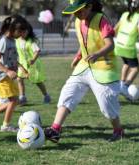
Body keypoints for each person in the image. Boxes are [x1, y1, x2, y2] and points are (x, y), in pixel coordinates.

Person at [45, 0, 124, 143]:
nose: (77, 14)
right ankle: (55, 129)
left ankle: (118, 130)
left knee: (106, 104)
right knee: (68, 93)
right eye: (74, 11)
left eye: (80, 10)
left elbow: (110, 44)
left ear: (89, 6)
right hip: (84, 66)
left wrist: (97, 55)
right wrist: (79, 56)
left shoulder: (101, 19)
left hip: (103, 68)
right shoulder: (78, 21)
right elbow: (85, 43)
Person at [0, 15, 28, 132]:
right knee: (13, 101)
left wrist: (22, 67)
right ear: (14, 29)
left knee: (15, 101)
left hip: (8, 78)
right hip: (2, 77)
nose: (22, 34)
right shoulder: (4, 41)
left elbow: (13, 59)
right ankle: (5, 125)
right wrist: (7, 71)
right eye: (21, 31)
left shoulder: (13, 41)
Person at [16, 22, 51, 105]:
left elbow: (37, 51)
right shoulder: (17, 41)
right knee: (19, 79)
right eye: (21, 32)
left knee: (37, 82)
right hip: (22, 64)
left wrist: (33, 59)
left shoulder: (30, 42)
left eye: (24, 32)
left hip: (33, 64)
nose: (22, 34)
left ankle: (46, 96)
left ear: (28, 32)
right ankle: (22, 98)